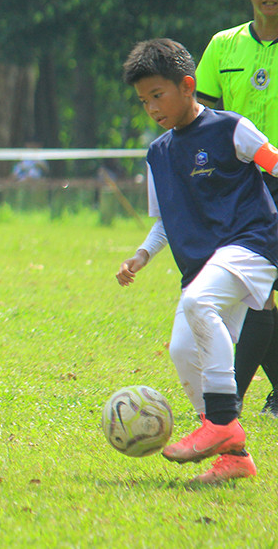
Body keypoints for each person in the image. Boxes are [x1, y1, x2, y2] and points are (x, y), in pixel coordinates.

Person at [117, 38, 278, 485]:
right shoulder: (159, 153)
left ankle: (221, 421)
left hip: (252, 246)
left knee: (198, 304)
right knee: (184, 350)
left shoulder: (231, 129)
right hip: (203, 266)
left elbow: (273, 162)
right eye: (143, 100)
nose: (151, 107)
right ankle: (235, 454)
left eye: (158, 95)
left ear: (188, 86)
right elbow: (166, 221)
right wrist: (141, 255)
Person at [195, 0, 278, 417]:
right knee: (256, 293)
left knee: (259, 294)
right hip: (242, 189)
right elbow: (200, 121)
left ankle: (222, 407)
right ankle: (228, 406)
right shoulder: (223, 45)